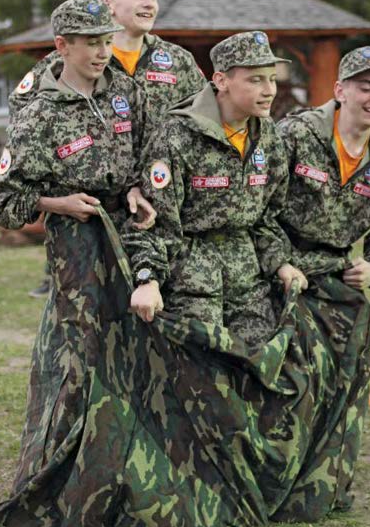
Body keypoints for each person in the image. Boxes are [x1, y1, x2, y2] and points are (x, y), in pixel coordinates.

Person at [0, 0, 147, 527]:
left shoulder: (125, 91)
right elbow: (4, 204)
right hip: (77, 247)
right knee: (80, 363)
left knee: (136, 354)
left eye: (107, 41)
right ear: (63, 46)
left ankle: (127, 480)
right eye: (91, 43)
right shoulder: (39, 113)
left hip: (132, 237)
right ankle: (65, 487)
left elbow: (149, 152)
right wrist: (59, 203)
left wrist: (139, 188)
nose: (102, 52)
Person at [10, 0, 206, 296]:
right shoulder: (68, 61)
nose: (148, 3)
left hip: (162, 204)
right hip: (93, 217)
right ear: (107, 4)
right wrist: (57, 188)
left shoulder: (177, 61)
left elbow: (203, 122)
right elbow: (23, 117)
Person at [276, 45, 370, 511]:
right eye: (365, 87)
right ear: (340, 90)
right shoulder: (295, 135)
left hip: (334, 276)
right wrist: (278, 262)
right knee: (297, 367)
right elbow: (253, 205)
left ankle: (325, 482)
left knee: (355, 356)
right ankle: (278, 478)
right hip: (278, 271)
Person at [124, 31, 307, 344]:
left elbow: (267, 217)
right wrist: (148, 279)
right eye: (256, 80)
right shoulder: (177, 135)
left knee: (261, 361)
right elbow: (153, 223)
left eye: (272, 79)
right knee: (201, 368)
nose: (269, 91)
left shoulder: (268, 137)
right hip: (190, 283)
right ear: (221, 81)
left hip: (248, 282)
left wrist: (280, 262)